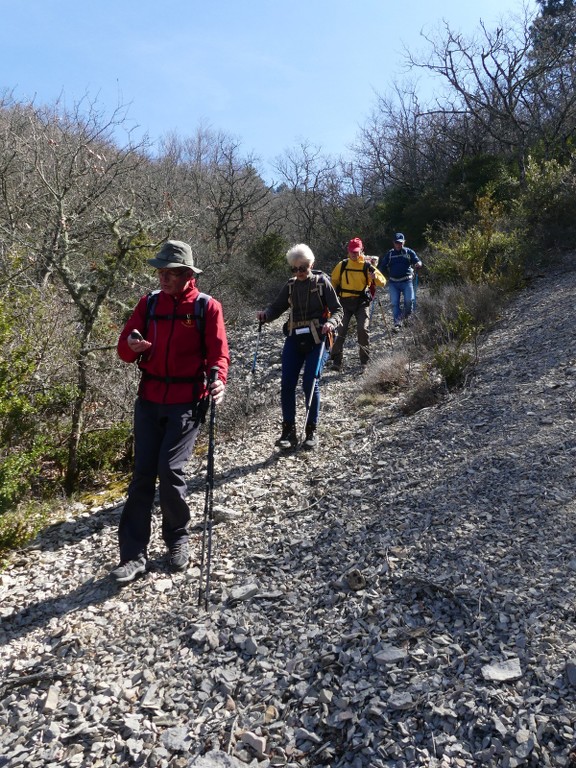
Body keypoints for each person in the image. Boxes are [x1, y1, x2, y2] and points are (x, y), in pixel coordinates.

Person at [112, 240, 230, 584]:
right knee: (142, 475)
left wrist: (218, 380)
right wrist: (131, 346)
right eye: (160, 271)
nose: (162, 277)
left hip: (187, 401)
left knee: (171, 470)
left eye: (170, 272)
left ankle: (177, 538)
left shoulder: (207, 307)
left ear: (186, 274)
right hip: (148, 398)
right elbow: (124, 349)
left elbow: (219, 354)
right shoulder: (148, 304)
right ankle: (133, 556)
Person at [256, 243, 342, 450]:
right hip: (295, 337)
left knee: (310, 382)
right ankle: (288, 431)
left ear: (311, 264)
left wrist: (331, 323)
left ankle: (311, 430)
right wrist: (266, 315)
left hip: (319, 338)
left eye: (302, 267)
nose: (299, 272)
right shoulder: (290, 285)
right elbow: (277, 307)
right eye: (294, 269)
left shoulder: (323, 283)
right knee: (287, 384)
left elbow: (338, 310)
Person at [329, 237, 386, 370]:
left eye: (357, 251)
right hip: (343, 302)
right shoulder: (342, 265)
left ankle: (364, 361)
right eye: (352, 251)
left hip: (361, 303)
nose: (354, 254)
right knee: (341, 330)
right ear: (348, 251)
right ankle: (337, 361)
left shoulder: (367, 266)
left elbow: (382, 282)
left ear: (362, 251)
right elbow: (333, 283)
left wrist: (375, 277)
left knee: (362, 329)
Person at [378, 233, 422, 330]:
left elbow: (417, 260)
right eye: (397, 243)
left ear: (404, 242)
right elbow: (382, 266)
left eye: (401, 243)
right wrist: (378, 274)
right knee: (394, 303)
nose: (399, 245)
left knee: (409, 301)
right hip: (393, 283)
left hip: (407, 281)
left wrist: (418, 263)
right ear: (393, 243)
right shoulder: (390, 254)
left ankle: (406, 317)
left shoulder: (408, 252)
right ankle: (397, 323)